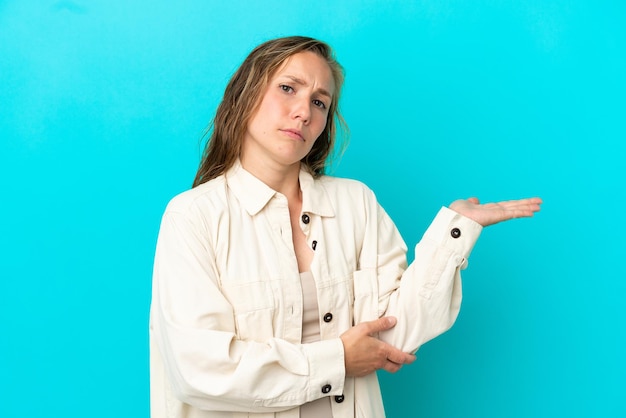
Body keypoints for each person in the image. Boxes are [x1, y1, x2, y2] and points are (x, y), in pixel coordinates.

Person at [149, 36, 542, 418]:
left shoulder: (356, 203)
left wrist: (454, 234)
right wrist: (338, 359)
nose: (304, 111)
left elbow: (392, 335)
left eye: (319, 102)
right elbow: (200, 371)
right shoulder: (193, 216)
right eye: (288, 88)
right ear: (244, 96)